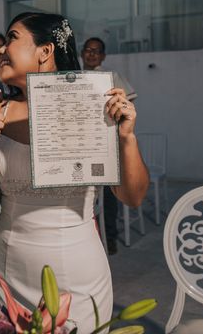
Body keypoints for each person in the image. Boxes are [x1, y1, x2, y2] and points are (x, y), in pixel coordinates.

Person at [0, 13, 149, 332]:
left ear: (45, 51)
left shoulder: (93, 105)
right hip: (7, 262)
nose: (0, 48)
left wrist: (126, 137)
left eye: (12, 38)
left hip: (74, 266)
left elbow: (133, 196)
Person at [81, 36, 138, 255]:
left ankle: (110, 237)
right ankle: (89, 236)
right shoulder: (73, 74)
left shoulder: (111, 76)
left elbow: (128, 104)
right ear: (82, 52)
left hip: (105, 142)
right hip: (80, 144)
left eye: (96, 51)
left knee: (109, 194)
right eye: (88, 50)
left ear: (103, 55)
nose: (92, 54)